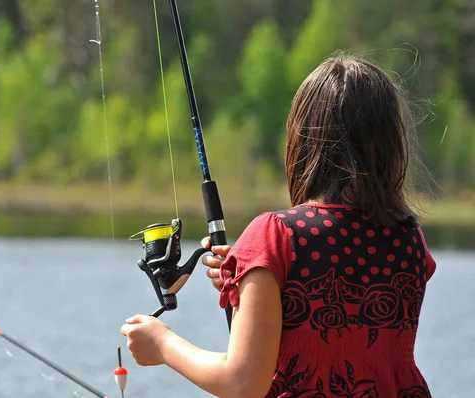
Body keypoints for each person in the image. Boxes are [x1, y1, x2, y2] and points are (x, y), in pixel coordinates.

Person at [120, 55, 437, 398]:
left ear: (302, 140)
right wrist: (254, 277)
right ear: (391, 144)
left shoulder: (276, 233)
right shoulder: (409, 240)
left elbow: (243, 384)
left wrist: (163, 344)